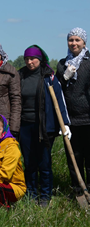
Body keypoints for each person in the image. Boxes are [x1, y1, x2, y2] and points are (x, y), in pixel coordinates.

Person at [19, 45, 71, 206]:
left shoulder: (49, 77)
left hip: (44, 126)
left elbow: (60, 102)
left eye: (32, 59)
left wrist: (65, 123)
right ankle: (31, 193)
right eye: (26, 59)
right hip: (25, 125)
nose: (29, 62)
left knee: (44, 162)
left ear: (39, 59)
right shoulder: (20, 75)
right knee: (29, 162)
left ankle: (45, 195)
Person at [56, 27, 90, 197]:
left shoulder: (89, 63)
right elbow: (57, 91)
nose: (74, 43)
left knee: (89, 157)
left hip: (88, 118)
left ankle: (89, 189)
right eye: (71, 40)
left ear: (84, 42)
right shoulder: (62, 64)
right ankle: (77, 190)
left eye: (77, 40)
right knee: (73, 157)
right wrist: (64, 77)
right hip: (69, 120)